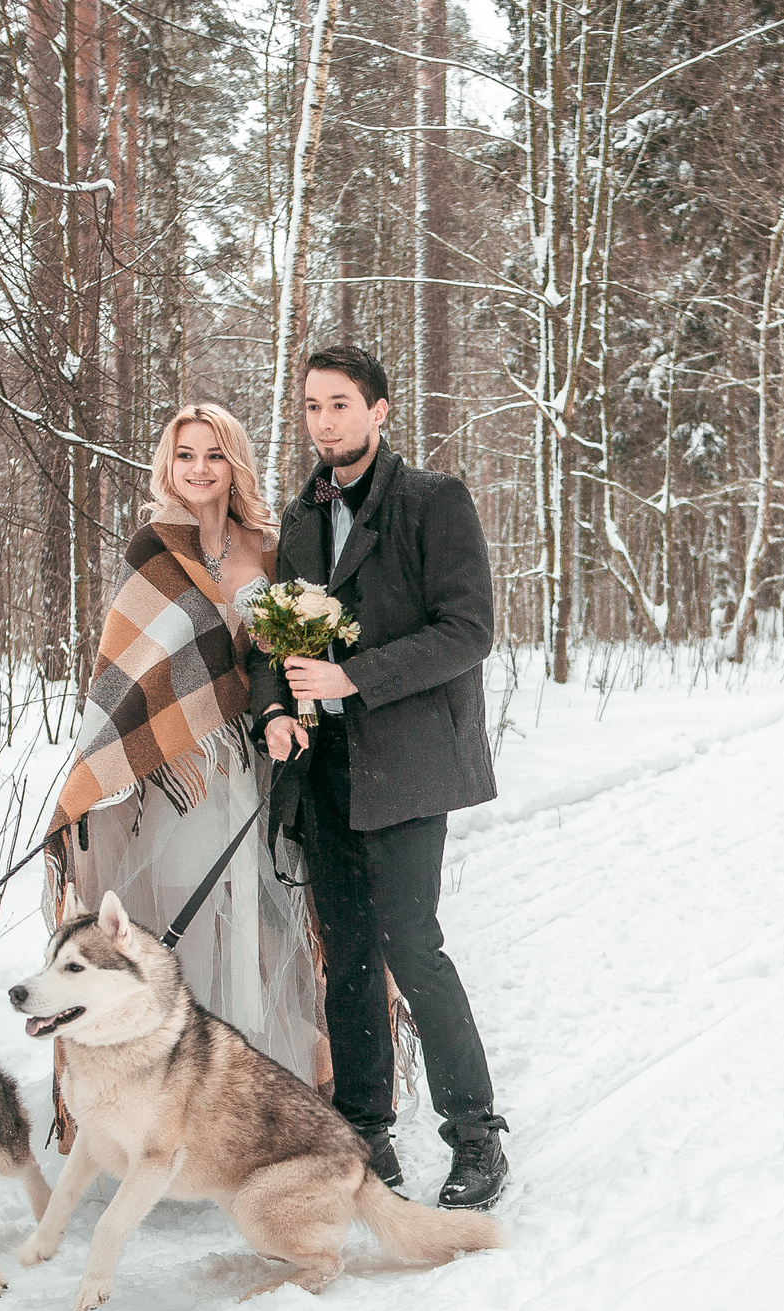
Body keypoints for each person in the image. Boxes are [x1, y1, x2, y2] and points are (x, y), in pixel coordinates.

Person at [250, 343, 509, 1212]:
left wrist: (356, 677)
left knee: (411, 944)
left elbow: (468, 629)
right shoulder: (298, 517)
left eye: (339, 405)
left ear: (380, 410)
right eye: (312, 407)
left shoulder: (433, 501)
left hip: (405, 768)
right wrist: (275, 712)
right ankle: (364, 1135)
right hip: (322, 772)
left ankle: (474, 1133)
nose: (324, 422)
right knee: (348, 960)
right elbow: (273, 644)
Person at [45, 403, 326, 1122]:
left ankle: (259, 1089)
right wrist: (100, 769)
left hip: (260, 756)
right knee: (185, 909)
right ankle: (171, 1097)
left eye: (214, 454)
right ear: (169, 466)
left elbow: (286, 645)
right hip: (183, 766)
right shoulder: (153, 548)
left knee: (264, 915)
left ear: (235, 464)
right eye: (185, 455)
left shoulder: (267, 547)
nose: (199, 469)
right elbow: (128, 669)